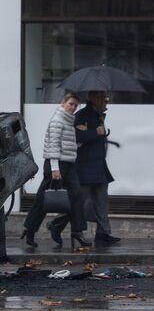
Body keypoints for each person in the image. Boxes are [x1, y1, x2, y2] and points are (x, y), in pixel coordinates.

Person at [22, 93, 91, 248]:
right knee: (43, 200)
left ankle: (77, 232)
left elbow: (66, 145)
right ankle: (30, 229)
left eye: (75, 105)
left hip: (69, 165)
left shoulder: (69, 122)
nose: (73, 107)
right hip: (56, 165)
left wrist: (81, 133)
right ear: (63, 103)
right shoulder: (57, 120)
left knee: (76, 197)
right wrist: (54, 168)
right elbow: (53, 145)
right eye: (71, 104)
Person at [51, 91, 120, 245]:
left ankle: (103, 233)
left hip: (99, 167)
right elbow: (74, 136)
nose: (106, 101)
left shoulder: (99, 115)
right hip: (85, 167)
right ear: (94, 98)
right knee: (77, 202)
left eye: (106, 98)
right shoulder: (82, 115)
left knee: (102, 202)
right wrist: (95, 132)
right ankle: (56, 224)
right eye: (103, 98)